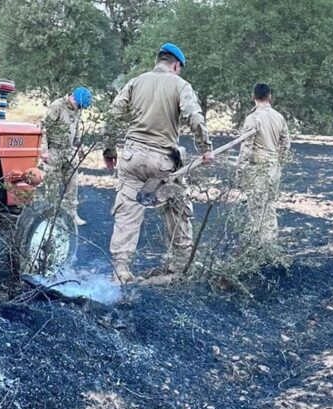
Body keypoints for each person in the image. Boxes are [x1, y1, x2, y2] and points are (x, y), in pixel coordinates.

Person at [104, 43, 213, 284]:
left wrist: (109, 149)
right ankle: (179, 265)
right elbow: (194, 116)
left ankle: (120, 270)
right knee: (178, 208)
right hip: (161, 161)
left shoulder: (135, 82)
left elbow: (112, 114)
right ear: (176, 65)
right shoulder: (180, 85)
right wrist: (206, 149)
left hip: (131, 158)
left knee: (127, 210)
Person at [238, 83, 291, 247]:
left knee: (256, 209)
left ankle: (256, 247)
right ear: (270, 97)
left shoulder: (253, 118)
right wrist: (278, 162)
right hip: (274, 167)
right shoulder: (279, 117)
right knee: (269, 208)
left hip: (258, 168)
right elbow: (286, 144)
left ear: (253, 97)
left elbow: (246, 146)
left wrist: (241, 170)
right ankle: (270, 245)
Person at [40, 87, 93, 226]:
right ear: (73, 98)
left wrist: (79, 145)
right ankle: (51, 218)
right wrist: (44, 150)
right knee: (52, 186)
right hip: (54, 151)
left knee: (72, 184)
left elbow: (75, 129)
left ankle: (71, 215)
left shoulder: (77, 109)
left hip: (69, 152)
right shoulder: (57, 106)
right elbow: (44, 128)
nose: (80, 108)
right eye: (79, 105)